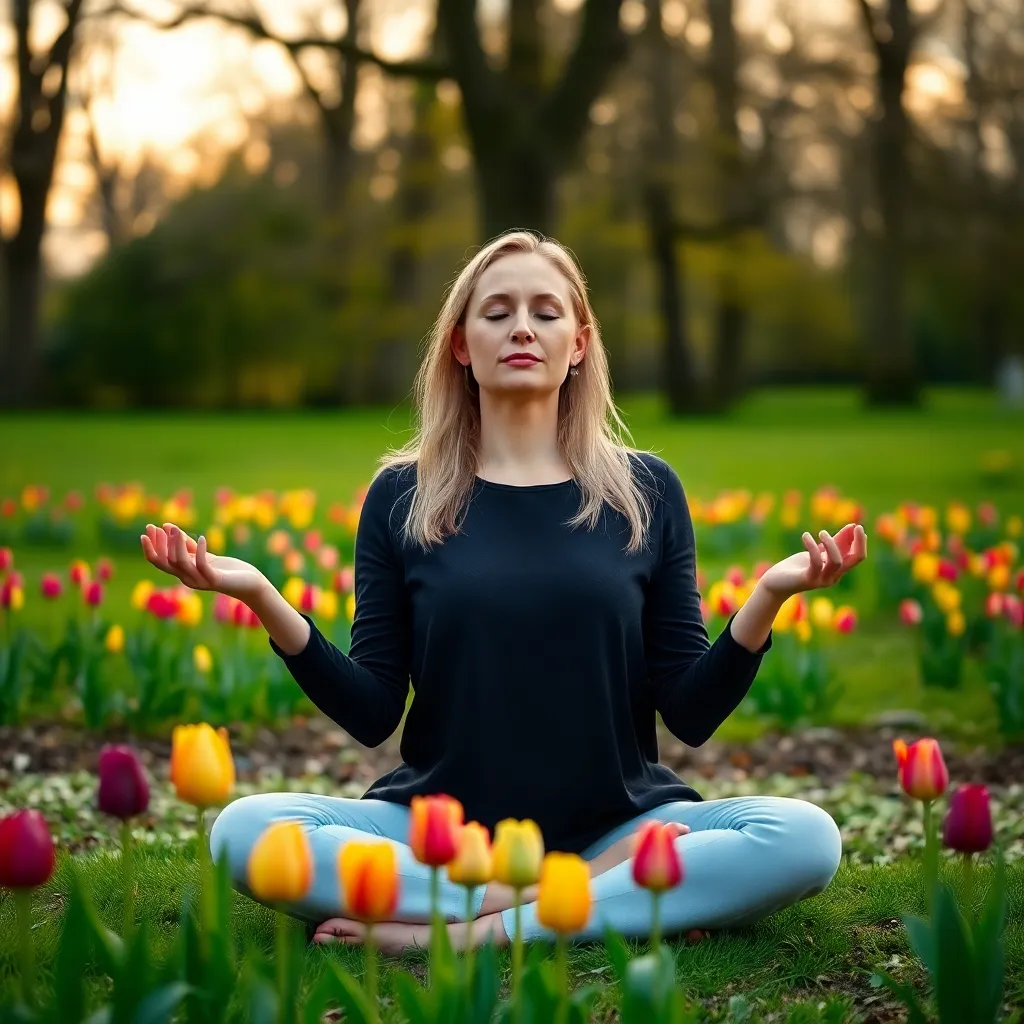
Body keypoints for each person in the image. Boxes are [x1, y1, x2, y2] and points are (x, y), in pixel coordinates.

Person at [141, 230, 867, 955]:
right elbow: (372, 710)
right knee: (244, 831)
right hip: (439, 832)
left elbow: (690, 710)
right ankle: (575, 892)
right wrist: (262, 595)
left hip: (618, 821)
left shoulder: (645, 491)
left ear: (579, 344)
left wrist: (769, 596)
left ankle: (476, 931)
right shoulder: (403, 496)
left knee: (803, 838)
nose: (522, 327)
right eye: (497, 312)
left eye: (546, 312)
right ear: (461, 344)